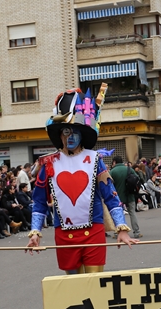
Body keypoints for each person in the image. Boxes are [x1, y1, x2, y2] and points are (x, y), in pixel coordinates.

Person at [26, 86, 137, 274]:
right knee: (74, 286)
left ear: (82, 135)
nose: (70, 137)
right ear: (59, 134)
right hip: (64, 234)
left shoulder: (95, 160)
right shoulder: (48, 163)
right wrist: (35, 232)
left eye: (75, 132)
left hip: (93, 231)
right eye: (66, 132)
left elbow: (110, 196)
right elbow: (38, 202)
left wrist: (121, 228)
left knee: (94, 283)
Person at [110, 155, 142, 238]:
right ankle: (137, 232)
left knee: (117, 214)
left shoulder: (112, 171)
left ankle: (117, 233)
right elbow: (137, 178)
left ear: (114, 162)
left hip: (117, 197)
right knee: (132, 213)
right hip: (129, 195)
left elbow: (109, 183)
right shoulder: (129, 169)